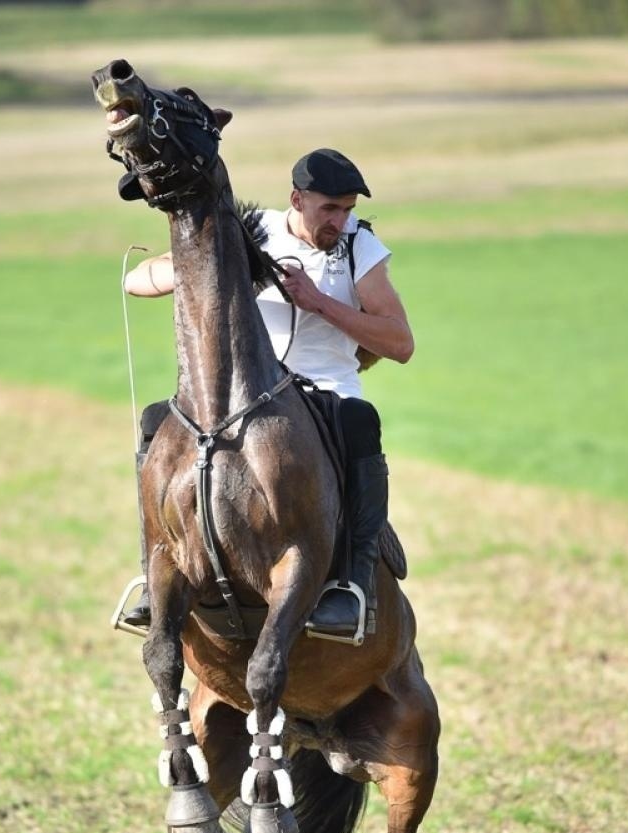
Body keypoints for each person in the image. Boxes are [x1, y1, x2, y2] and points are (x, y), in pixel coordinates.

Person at [120, 148, 414, 638]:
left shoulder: (361, 247)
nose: (340, 220)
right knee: (156, 421)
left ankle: (352, 584)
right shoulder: (254, 230)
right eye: (330, 209)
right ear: (297, 199)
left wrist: (317, 302)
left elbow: (400, 343)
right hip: (243, 391)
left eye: (347, 209)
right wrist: (202, 267)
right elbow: (136, 281)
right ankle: (155, 578)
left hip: (326, 390)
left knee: (362, 422)